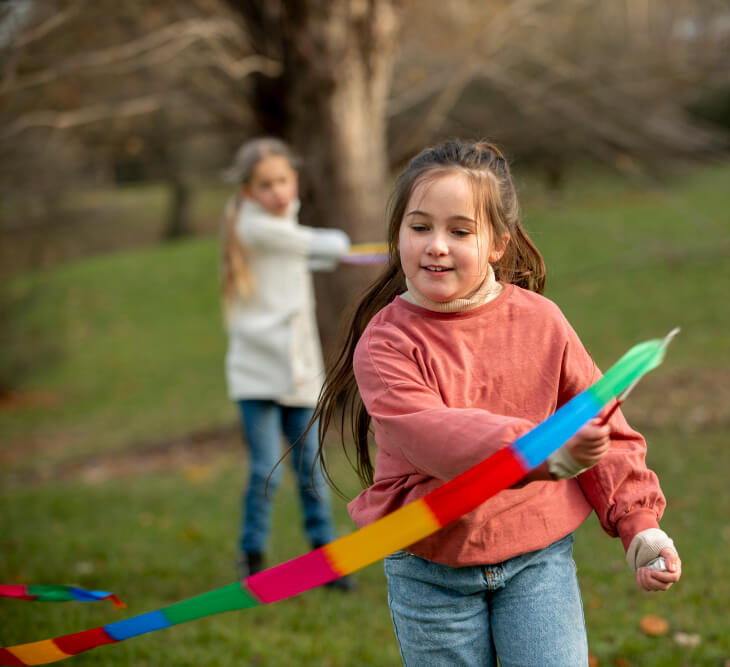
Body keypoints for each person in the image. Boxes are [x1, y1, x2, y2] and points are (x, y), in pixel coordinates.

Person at [315, 139, 680, 663]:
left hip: (537, 559)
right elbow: (432, 434)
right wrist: (541, 449)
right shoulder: (386, 341)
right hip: (430, 568)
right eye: (420, 227)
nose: (436, 245)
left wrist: (640, 526)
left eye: (459, 231)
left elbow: (603, 424)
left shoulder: (541, 321)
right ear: (397, 236)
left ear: (497, 244)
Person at [220, 137, 355, 591]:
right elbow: (327, 244)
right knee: (264, 469)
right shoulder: (253, 227)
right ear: (247, 193)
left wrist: (331, 251)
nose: (277, 192)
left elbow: (315, 253)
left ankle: (324, 560)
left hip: (297, 368)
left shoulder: (279, 229)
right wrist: (337, 246)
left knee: (310, 468)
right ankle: (252, 557)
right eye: (265, 185)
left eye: (282, 180)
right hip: (257, 371)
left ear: (294, 179)